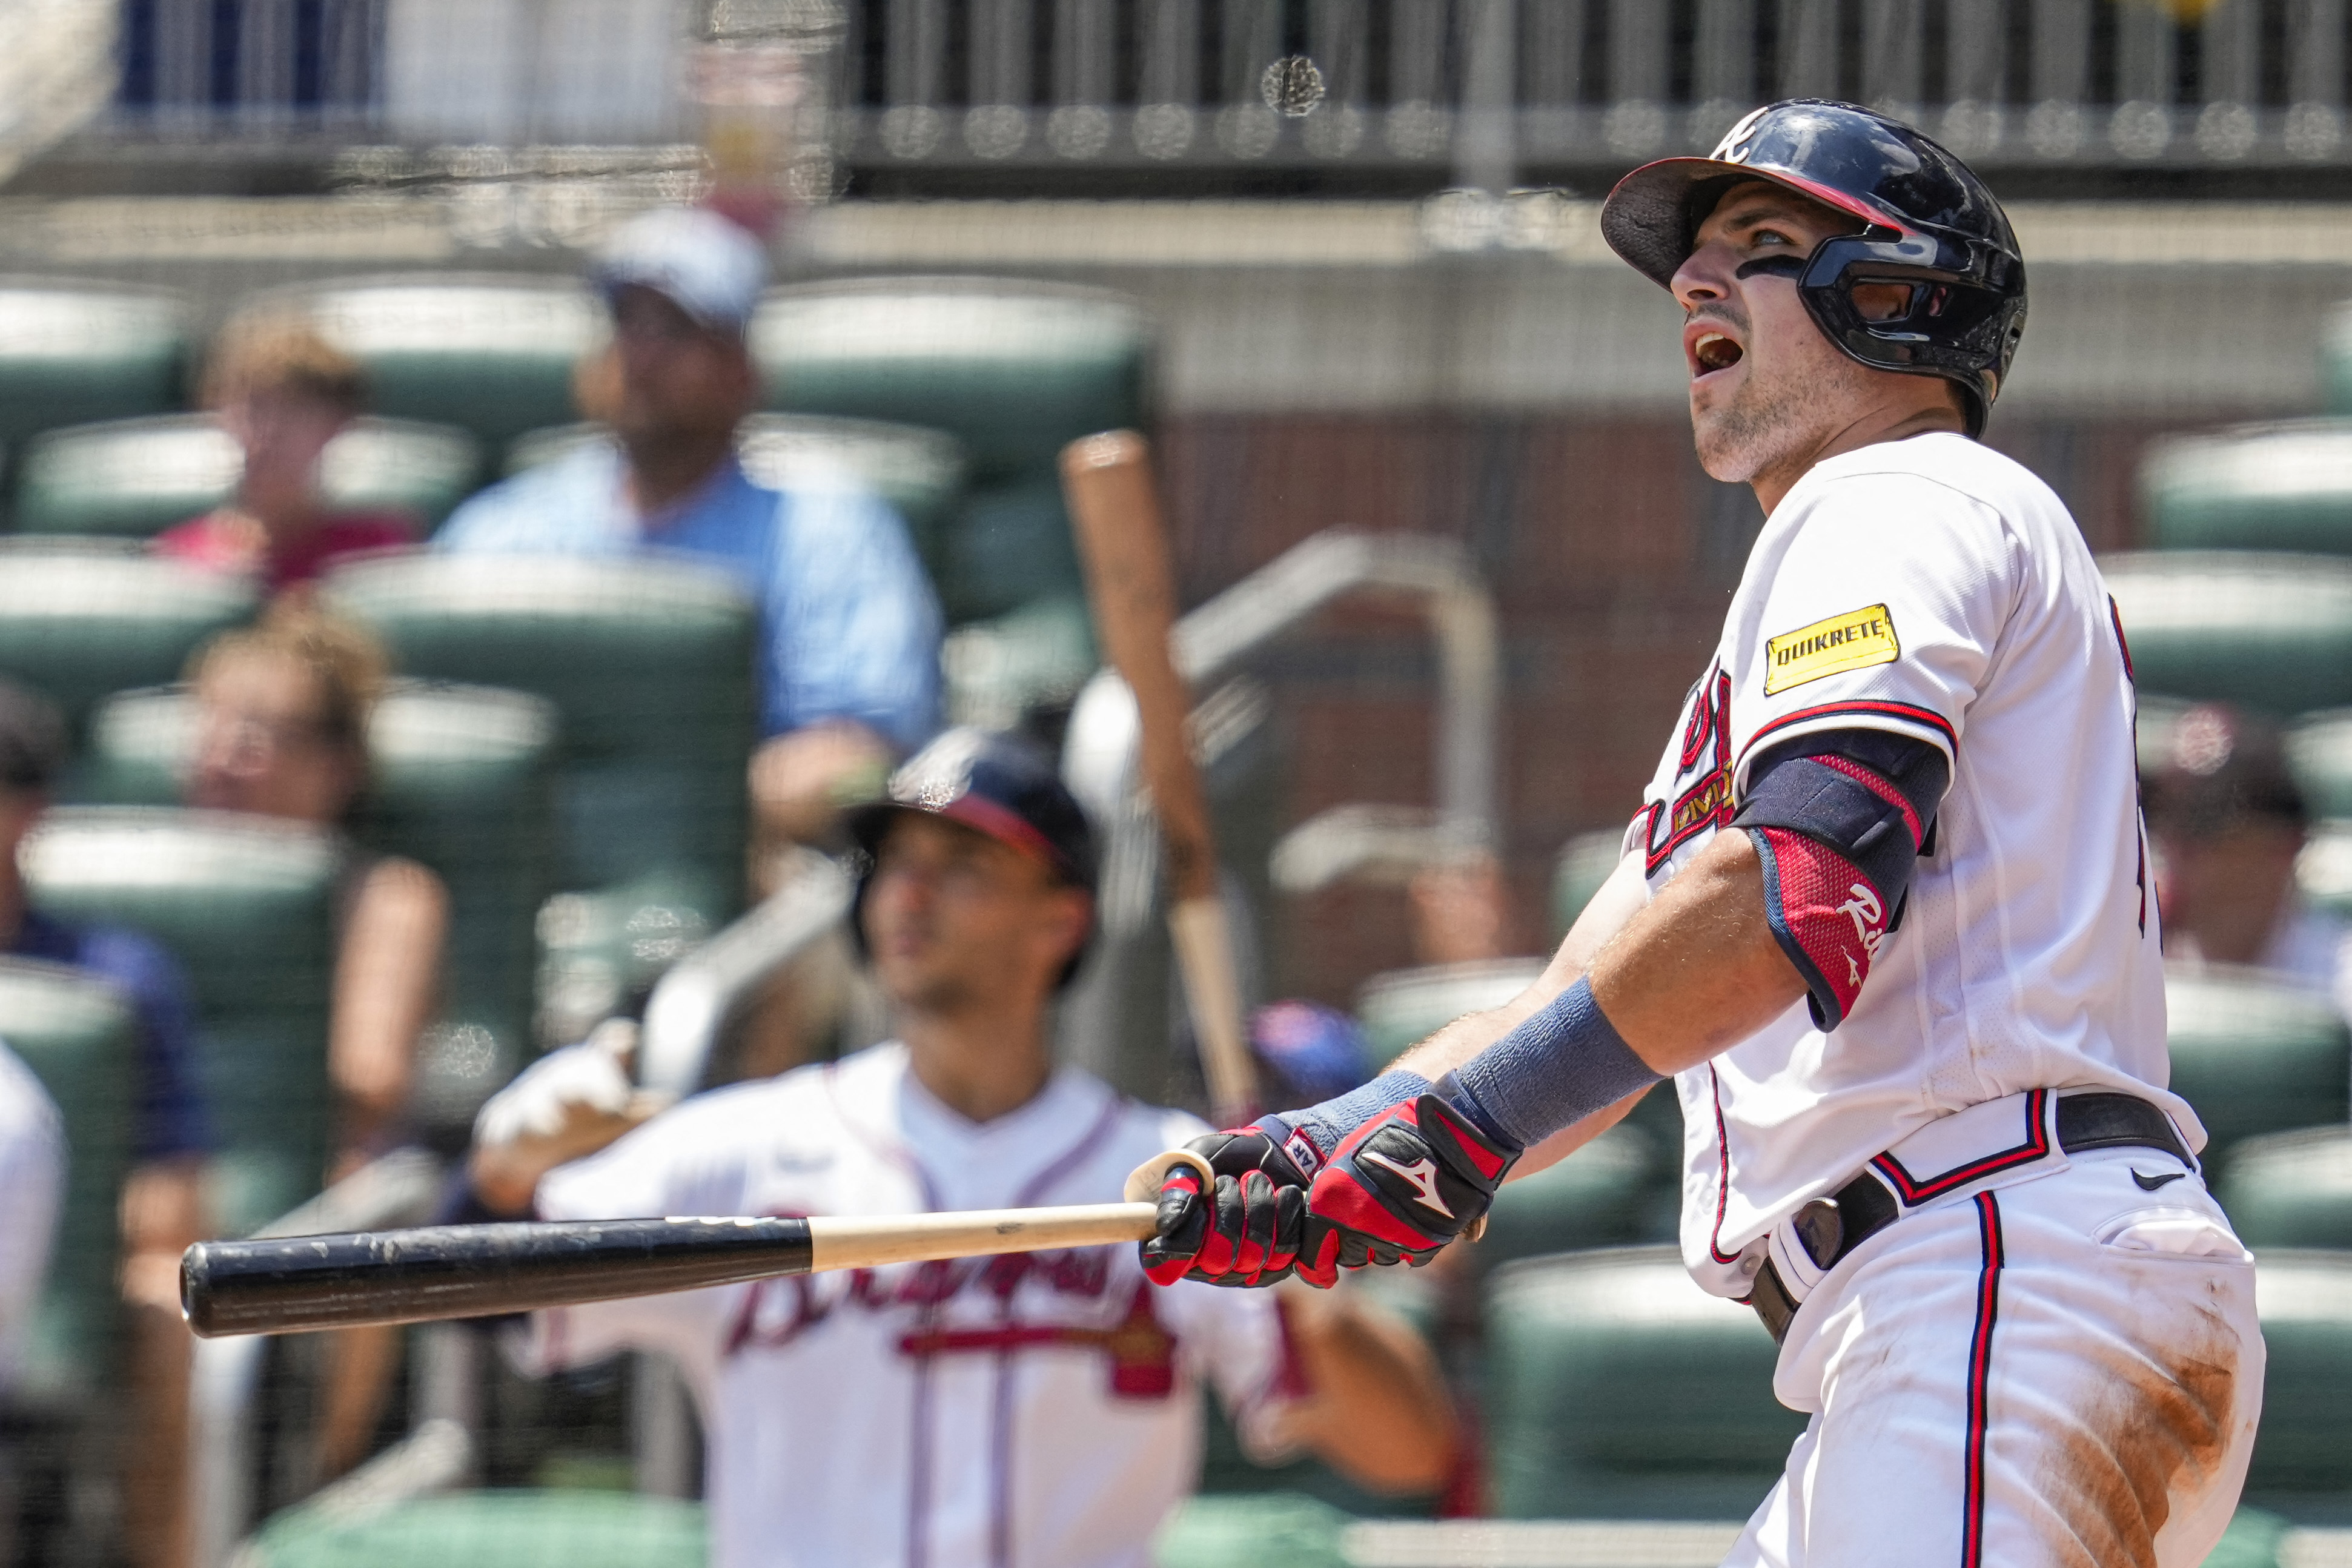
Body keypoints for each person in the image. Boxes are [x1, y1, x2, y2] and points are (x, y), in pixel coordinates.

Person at [1142, 100, 2263, 1568]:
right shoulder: (1815, 603)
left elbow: (1795, 886)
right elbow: (1579, 1016)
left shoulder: (1896, 490)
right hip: (1969, 1301)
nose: (1690, 283)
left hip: (1992, 1266)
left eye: (1763, 246)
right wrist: (1310, 1149)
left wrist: (1455, 1137)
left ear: (1900, 293)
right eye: (1692, 259)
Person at [462, 728, 1457, 1568]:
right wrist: (501, 1175)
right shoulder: (742, 1146)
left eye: (964, 866)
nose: (911, 893)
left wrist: (1294, 1270)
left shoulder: (1172, 1178)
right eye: (896, 862)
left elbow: (1411, 1446)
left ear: (1059, 918)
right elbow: (496, 1312)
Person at [434, 206, 944, 864]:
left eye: (678, 329)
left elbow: (869, 761)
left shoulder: (827, 527)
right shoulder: (504, 527)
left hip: (746, 882)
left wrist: (681, 809)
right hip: (512, 867)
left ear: (743, 370)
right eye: (627, 324)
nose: (643, 355)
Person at [181, 605, 449, 1477]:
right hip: (164, 1168)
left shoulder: (388, 895)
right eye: (214, 726)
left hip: (304, 1178)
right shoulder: (144, 887)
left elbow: (368, 1076)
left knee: (366, 1176)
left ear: (340, 766)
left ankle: (316, 1484)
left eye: (261, 735)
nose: (226, 755)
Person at [0, 681, 213, 1568]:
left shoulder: (120, 976)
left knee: (169, 1303)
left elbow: (175, 1201)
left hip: (69, 1272)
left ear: (29, 812)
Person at [154, 313, 414, 592]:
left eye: (295, 410)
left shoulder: (379, 550)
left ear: (337, 426)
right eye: (255, 408)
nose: (271, 431)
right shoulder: (181, 559)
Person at [2144, 703, 2352, 1018]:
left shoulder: (2340, 984)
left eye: (2213, 841)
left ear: (2286, 849)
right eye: (2172, 836)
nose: (2178, 856)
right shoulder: (2136, 968)